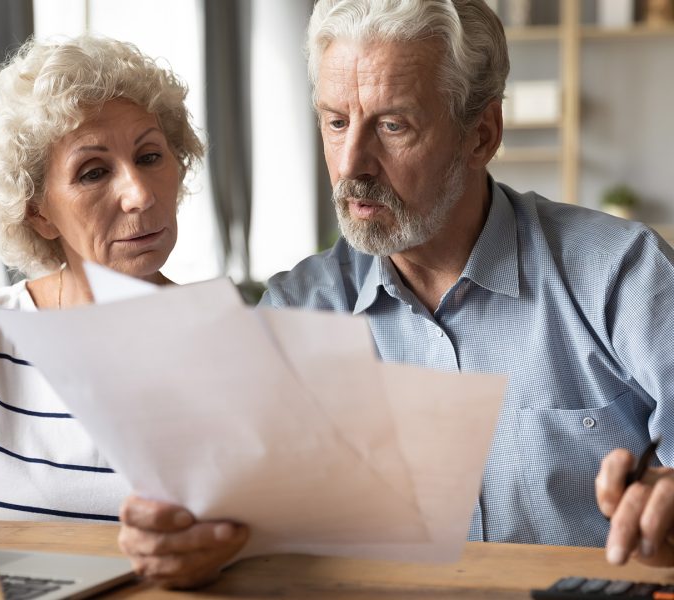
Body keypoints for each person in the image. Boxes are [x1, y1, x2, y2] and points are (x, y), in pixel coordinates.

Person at [118, 0, 674, 587]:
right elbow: (227, 503)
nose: (352, 164)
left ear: (481, 135)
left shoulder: (623, 276)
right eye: (336, 122)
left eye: (393, 126)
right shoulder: (297, 311)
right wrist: (187, 536)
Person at [0, 33, 247, 562]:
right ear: (38, 212)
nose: (140, 194)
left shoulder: (238, 343)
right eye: (94, 172)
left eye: (150, 156)